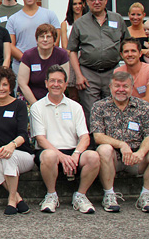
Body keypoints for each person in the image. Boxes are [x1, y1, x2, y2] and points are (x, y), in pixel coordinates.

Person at [92, 71, 149, 213]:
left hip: (136, 158)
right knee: (104, 149)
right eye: (117, 86)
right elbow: (98, 136)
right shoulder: (99, 107)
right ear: (110, 87)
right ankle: (109, 195)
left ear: (132, 88)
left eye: (125, 86)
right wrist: (122, 145)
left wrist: (140, 153)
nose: (121, 89)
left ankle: (145, 196)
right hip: (112, 159)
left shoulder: (143, 107)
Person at [30, 65, 99, 214]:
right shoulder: (37, 107)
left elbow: (85, 137)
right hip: (48, 151)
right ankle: (51, 195)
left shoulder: (75, 107)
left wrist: (75, 154)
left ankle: (80, 196)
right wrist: (61, 156)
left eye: (60, 81)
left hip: (73, 151)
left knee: (93, 156)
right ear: (46, 83)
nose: (56, 84)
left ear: (66, 85)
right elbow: (40, 139)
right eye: (52, 81)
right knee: (50, 155)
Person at [68, 0, 130, 127]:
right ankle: (94, 144)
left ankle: (114, 142)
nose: (97, 2)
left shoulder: (118, 19)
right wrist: (78, 75)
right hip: (89, 74)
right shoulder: (80, 23)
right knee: (92, 110)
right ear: (87, 2)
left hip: (113, 71)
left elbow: (127, 45)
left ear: (106, 0)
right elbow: (72, 51)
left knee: (115, 107)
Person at [0, 67, 34, 215]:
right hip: (1, 152)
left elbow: (23, 134)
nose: (1, 88)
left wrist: (11, 146)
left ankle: (11, 200)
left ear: (11, 86)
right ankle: (18, 198)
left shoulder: (19, 105)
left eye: (5, 84)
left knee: (9, 157)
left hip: (22, 154)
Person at [6, 0, 61, 77]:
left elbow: (56, 40)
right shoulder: (13, 19)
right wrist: (27, 60)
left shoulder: (50, 15)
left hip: (47, 64)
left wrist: (45, 58)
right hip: (21, 65)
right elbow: (10, 45)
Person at [17, 24, 70, 104]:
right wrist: (36, 105)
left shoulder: (62, 55)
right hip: (30, 99)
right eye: (42, 36)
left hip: (54, 98)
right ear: (37, 39)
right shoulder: (28, 55)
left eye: (48, 37)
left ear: (54, 40)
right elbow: (22, 83)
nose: (45, 40)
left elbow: (64, 81)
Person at [60, 0, 87, 101]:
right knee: (73, 96)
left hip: (86, 59)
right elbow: (65, 46)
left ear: (84, 5)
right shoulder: (65, 24)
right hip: (71, 60)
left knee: (86, 95)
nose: (77, 6)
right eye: (74, 4)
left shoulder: (89, 22)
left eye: (80, 3)